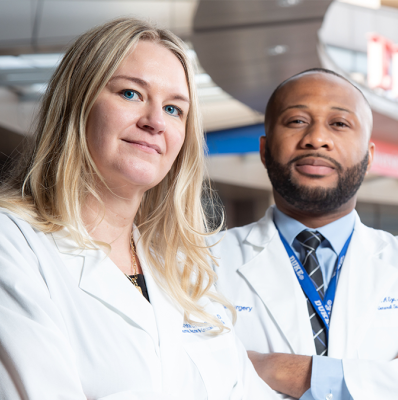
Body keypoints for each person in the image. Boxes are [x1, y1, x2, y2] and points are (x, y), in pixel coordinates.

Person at [0, 18, 279, 400]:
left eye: (174, 109)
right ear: (76, 103)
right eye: (131, 94)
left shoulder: (182, 269)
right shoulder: (13, 245)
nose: (155, 122)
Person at [209, 69, 398, 399]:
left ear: (369, 156)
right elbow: (188, 382)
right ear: (264, 150)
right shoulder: (201, 262)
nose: (316, 138)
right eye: (296, 121)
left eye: (340, 124)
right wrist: (388, 378)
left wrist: (272, 367)